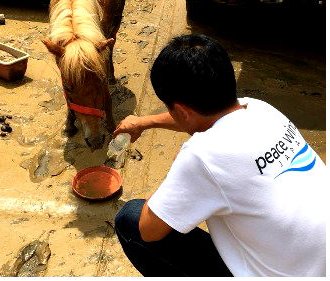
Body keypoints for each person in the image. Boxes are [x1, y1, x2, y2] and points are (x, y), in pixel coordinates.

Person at [112, 33, 326, 277]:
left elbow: (149, 231)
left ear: (181, 110)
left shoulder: (202, 156)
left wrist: (177, 172)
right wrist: (144, 122)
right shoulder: (259, 108)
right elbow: (201, 117)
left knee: (130, 219)